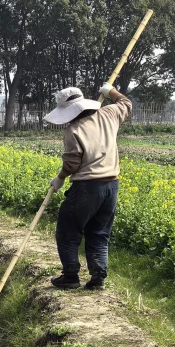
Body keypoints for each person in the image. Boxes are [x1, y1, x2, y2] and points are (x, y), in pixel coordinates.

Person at [43, 83, 132, 290]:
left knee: (68, 230)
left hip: (86, 187)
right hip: (111, 186)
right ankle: (97, 279)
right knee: (99, 233)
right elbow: (125, 103)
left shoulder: (74, 130)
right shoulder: (109, 114)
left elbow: (72, 164)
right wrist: (111, 92)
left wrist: (60, 178)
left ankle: (71, 276)